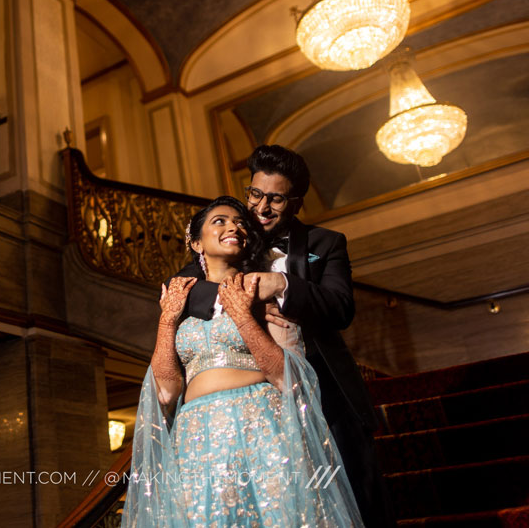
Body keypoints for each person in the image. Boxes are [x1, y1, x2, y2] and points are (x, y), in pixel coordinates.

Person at [122, 196, 363, 527]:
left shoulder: (262, 293)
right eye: (219, 221)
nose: (233, 227)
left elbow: (288, 379)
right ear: (196, 242)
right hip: (196, 437)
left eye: (239, 223)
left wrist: (244, 317)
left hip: (260, 424)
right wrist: (167, 320)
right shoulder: (181, 299)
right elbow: (165, 392)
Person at [241, 144, 396, 527]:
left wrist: (283, 283)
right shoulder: (230, 233)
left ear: (296, 203)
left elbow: (341, 307)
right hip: (250, 392)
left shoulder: (326, 243)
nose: (261, 208)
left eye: (275, 199)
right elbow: (187, 286)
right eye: (255, 194)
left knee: (354, 496)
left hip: (322, 388)